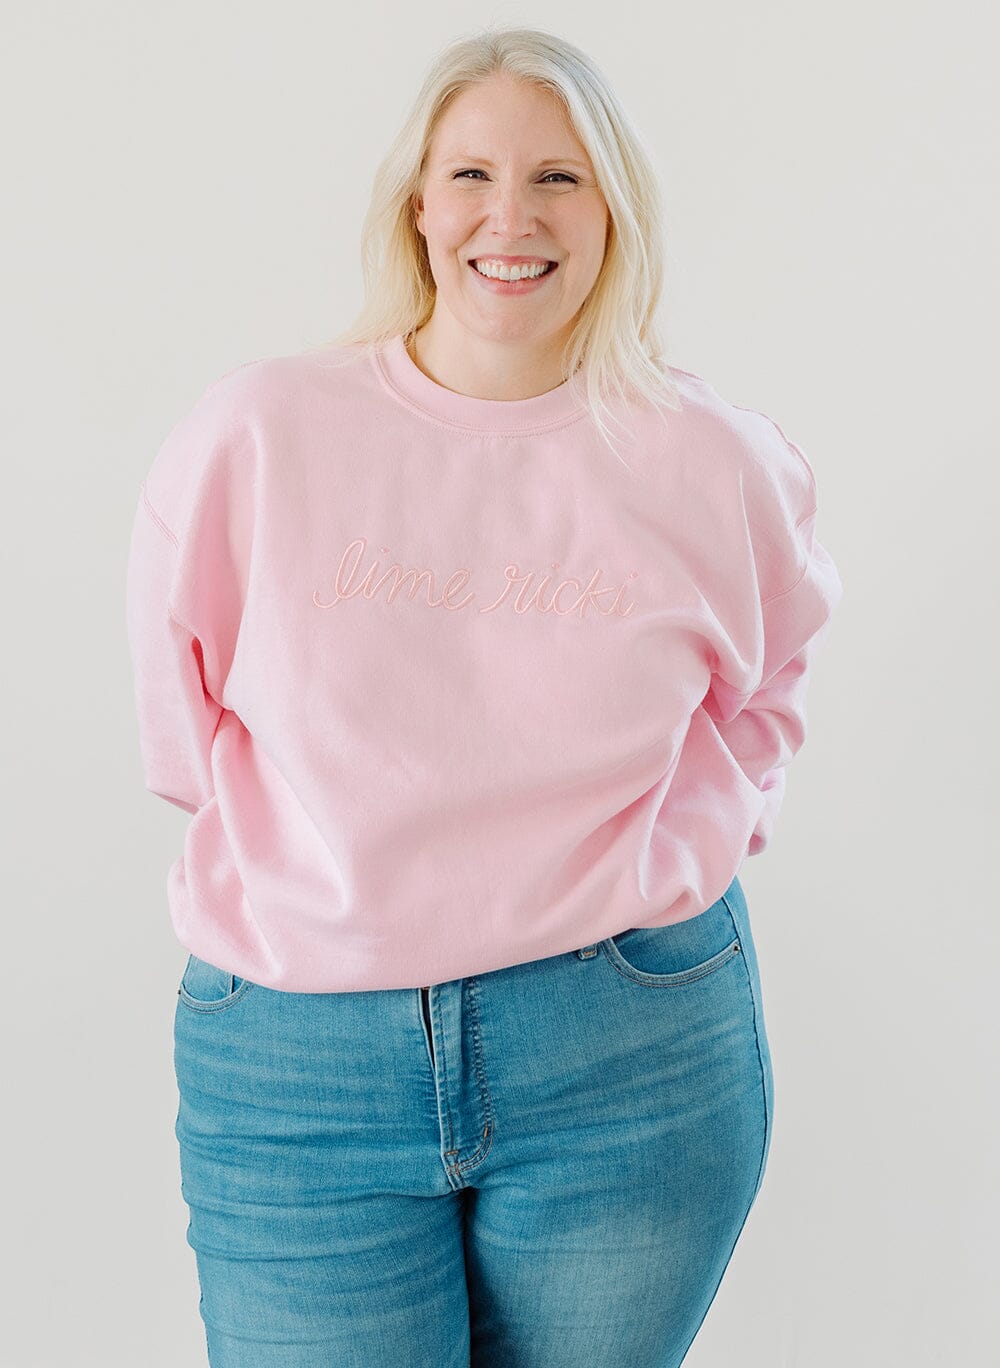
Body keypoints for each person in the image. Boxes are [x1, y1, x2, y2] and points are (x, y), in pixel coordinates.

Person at [124, 23, 843, 1368]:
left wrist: (680, 838)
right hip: (299, 1058)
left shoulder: (706, 460)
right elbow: (181, 726)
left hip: (627, 1043)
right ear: (414, 203)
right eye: (470, 176)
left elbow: (772, 685)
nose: (509, 218)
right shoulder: (258, 436)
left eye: (559, 178)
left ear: (615, 208)